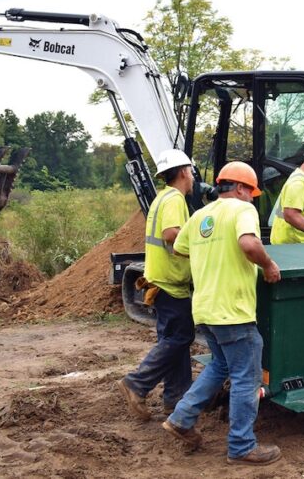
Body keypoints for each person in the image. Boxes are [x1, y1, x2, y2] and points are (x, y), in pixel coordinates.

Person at [164, 161, 282, 466]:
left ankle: (181, 417)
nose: (253, 198)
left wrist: (211, 249)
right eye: (251, 192)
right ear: (241, 188)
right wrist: (268, 265)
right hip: (233, 310)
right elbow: (248, 243)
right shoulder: (243, 210)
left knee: (220, 366)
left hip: (205, 309)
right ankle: (242, 445)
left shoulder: (200, 215)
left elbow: (178, 248)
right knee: (247, 377)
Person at [118, 149, 195, 421]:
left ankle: (175, 399)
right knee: (180, 337)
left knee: (175, 340)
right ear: (184, 171)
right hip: (170, 282)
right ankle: (137, 383)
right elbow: (172, 235)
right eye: (191, 171)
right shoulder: (175, 199)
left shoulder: (161, 198)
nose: (194, 176)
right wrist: (201, 247)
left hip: (160, 279)